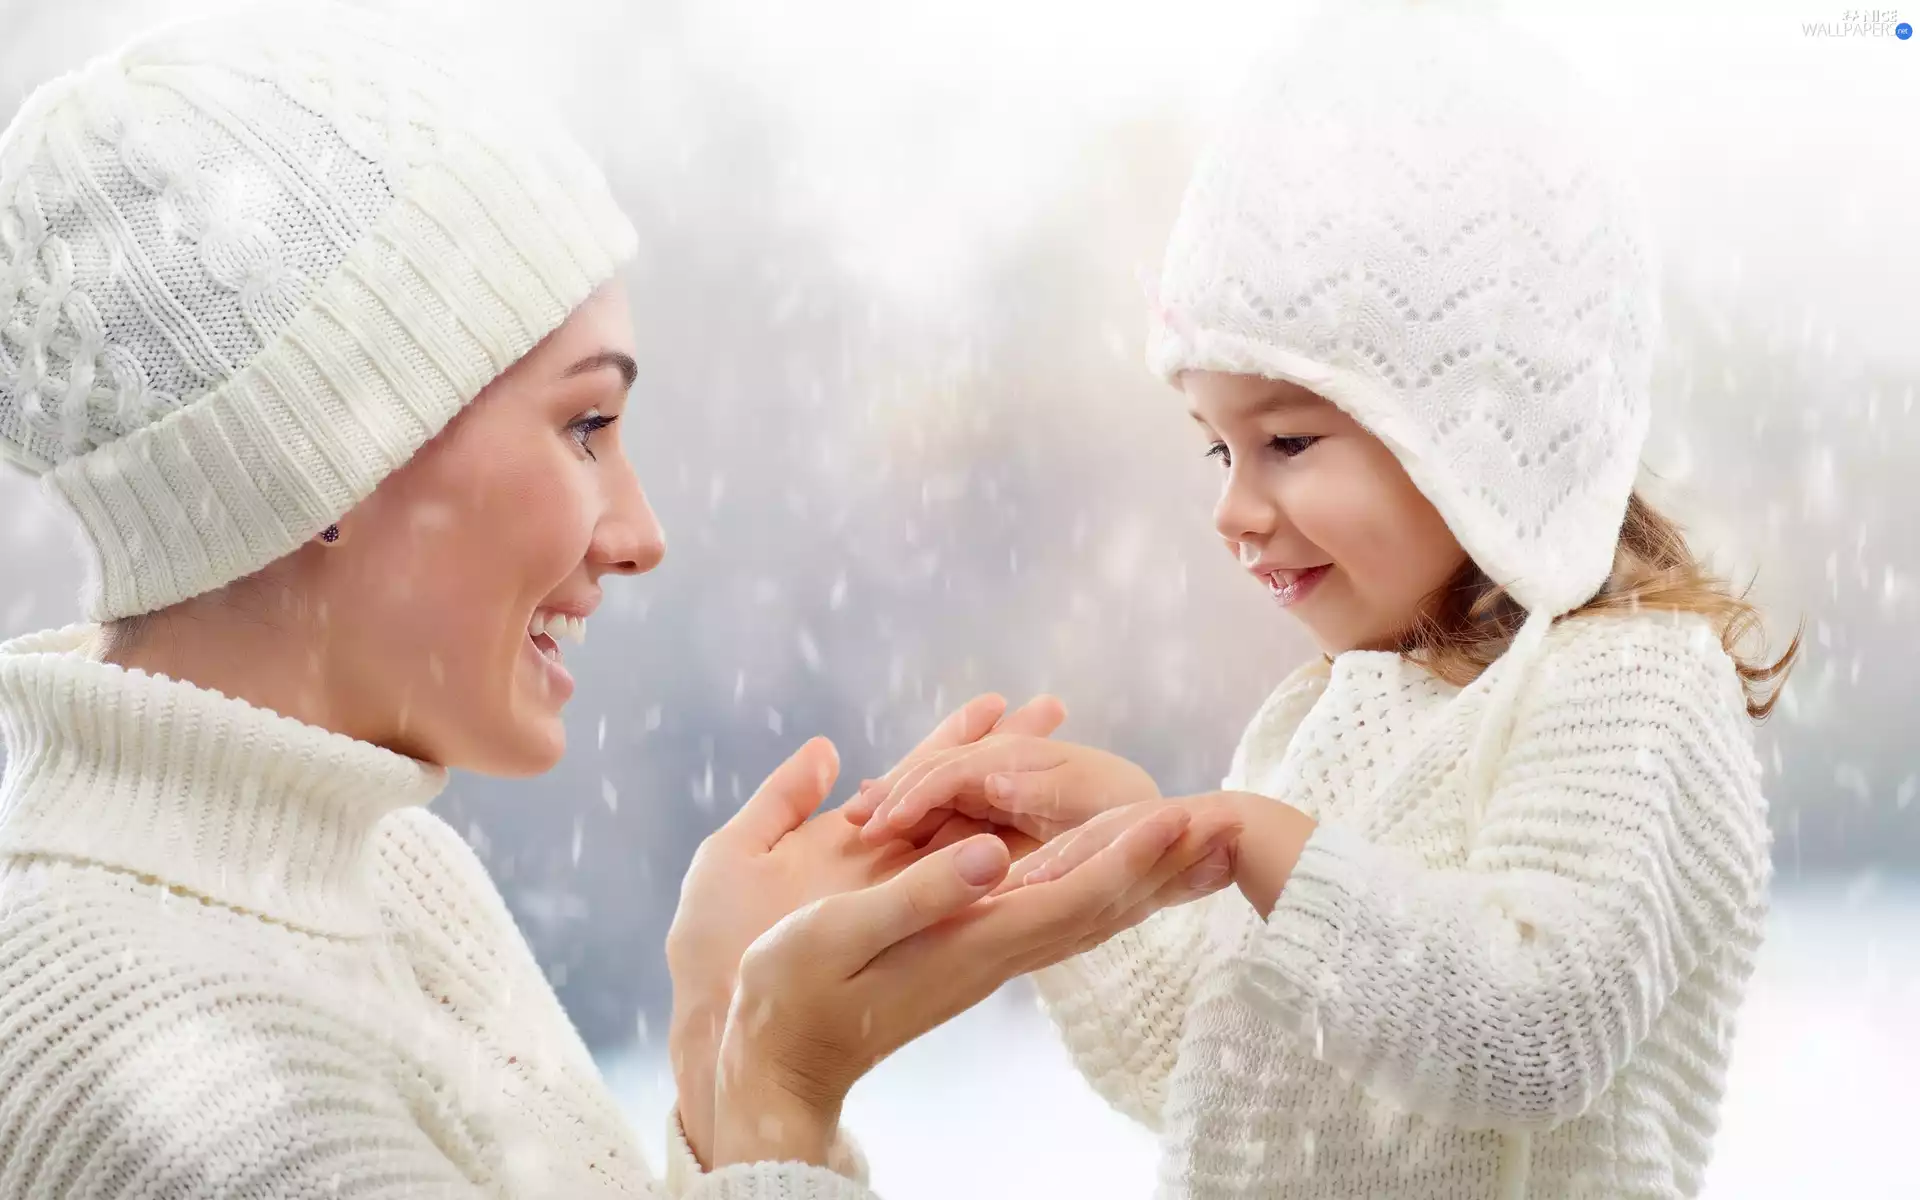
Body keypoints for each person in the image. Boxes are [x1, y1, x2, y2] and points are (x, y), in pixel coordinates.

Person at [0, 7, 1235, 1197]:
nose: (642, 537)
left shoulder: (391, 884)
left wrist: (720, 1039)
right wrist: (779, 1091)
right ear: (323, 457)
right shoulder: (162, 1046)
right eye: (583, 425)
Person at [844, 6, 1800, 1199]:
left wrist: (1254, 843)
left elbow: (1537, 1028)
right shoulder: (1325, 719)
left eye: (1288, 440)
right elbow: (1205, 1075)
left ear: (1476, 432)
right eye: (1217, 452)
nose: (1233, 508)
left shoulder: (1633, 685)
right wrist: (1112, 848)